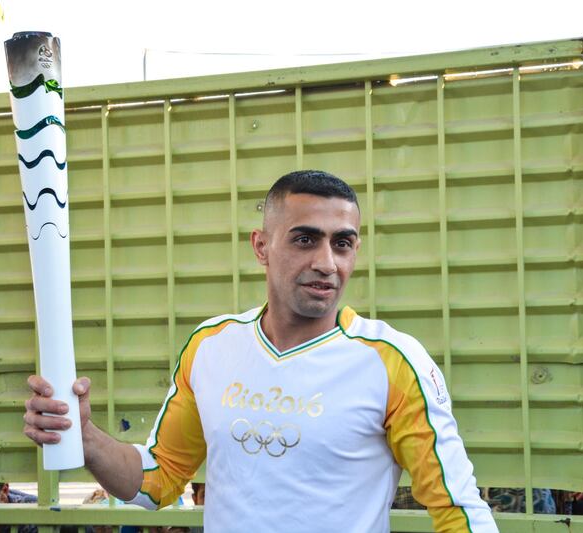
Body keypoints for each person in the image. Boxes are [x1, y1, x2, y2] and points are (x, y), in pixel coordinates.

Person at [24, 170, 498, 532]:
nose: (326, 263)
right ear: (261, 246)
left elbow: (458, 511)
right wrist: (85, 436)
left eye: (343, 243)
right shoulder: (211, 346)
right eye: (305, 239)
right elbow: (159, 479)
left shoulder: (393, 361)